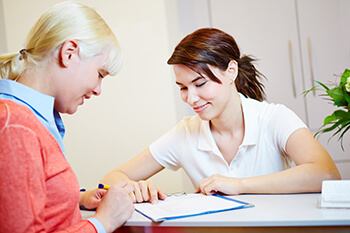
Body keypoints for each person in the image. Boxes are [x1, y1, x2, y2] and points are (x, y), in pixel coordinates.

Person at [101, 27, 341, 204]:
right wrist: (135, 188)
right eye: (183, 88)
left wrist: (238, 186)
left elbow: (327, 173)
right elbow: (111, 178)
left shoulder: (273, 118)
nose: (191, 98)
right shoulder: (186, 132)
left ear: (231, 71)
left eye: (200, 83)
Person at [0, 2, 134, 233]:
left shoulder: (30, 120)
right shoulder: (16, 125)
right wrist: (102, 222)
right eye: (100, 74)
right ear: (69, 53)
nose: (98, 89)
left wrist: (78, 197)